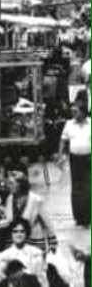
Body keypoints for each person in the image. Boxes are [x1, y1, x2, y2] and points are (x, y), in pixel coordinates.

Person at [57, 96, 91, 226]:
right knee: (77, 187)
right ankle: (78, 216)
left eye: (76, 111)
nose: (73, 114)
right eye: (72, 111)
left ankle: (87, 217)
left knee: (88, 187)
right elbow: (63, 140)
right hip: (75, 159)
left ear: (83, 112)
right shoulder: (69, 124)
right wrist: (60, 156)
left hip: (89, 159)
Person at [10, 172, 58, 254]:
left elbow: (47, 221)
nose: (9, 186)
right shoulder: (11, 199)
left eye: (12, 183)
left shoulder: (35, 199)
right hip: (20, 240)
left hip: (36, 240)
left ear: (20, 185)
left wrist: (52, 240)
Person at [0, 218, 44, 287]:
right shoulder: (4, 256)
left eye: (22, 232)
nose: (18, 234)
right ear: (11, 234)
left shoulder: (36, 253)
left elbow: (40, 280)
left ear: (26, 233)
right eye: (15, 231)